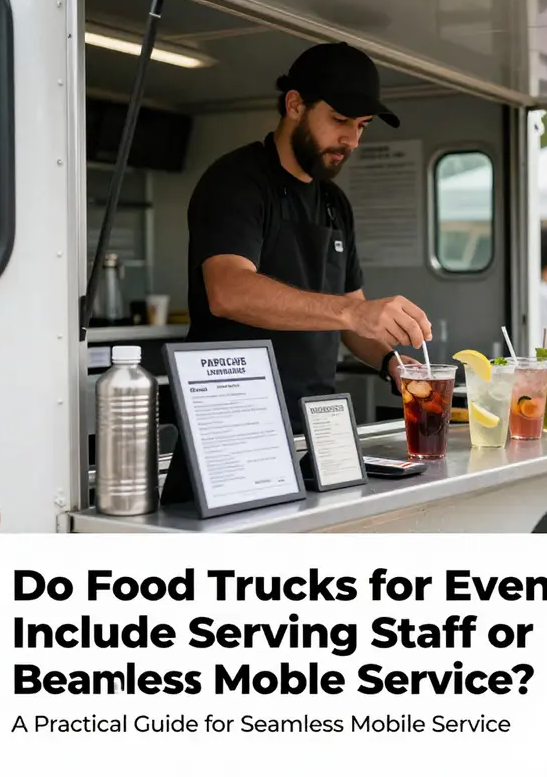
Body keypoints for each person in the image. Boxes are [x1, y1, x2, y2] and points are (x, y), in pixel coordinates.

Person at [161, 42, 431, 505]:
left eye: (361, 126)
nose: (352, 140)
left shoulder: (334, 203)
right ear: (294, 105)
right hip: (232, 430)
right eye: (340, 121)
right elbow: (228, 291)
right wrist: (353, 312)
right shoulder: (237, 181)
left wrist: (392, 361)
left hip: (315, 431)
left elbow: (354, 321)